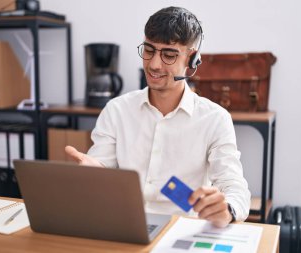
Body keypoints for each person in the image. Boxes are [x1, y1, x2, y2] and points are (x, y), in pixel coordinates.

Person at [66, 6, 250, 228]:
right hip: (124, 224)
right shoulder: (116, 110)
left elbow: (234, 186)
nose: (154, 64)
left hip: (180, 230)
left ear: (192, 60)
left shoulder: (215, 119)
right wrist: (93, 174)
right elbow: (100, 167)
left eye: (169, 55)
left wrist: (227, 209)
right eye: (149, 50)